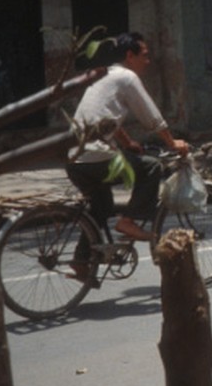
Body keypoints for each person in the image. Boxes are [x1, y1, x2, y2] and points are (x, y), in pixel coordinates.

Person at [67, 32, 189, 245]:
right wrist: (172, 143)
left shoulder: (104, 76)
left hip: (74, 159)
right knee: (152, 167)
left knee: (102, 208)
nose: (148, 61)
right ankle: (129, 221)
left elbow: (105, 118)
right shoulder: (127, 77)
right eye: (144, 55)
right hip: (96, 157)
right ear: (130, 55)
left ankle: (82, 263)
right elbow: (151, 117)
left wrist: (128, 143)